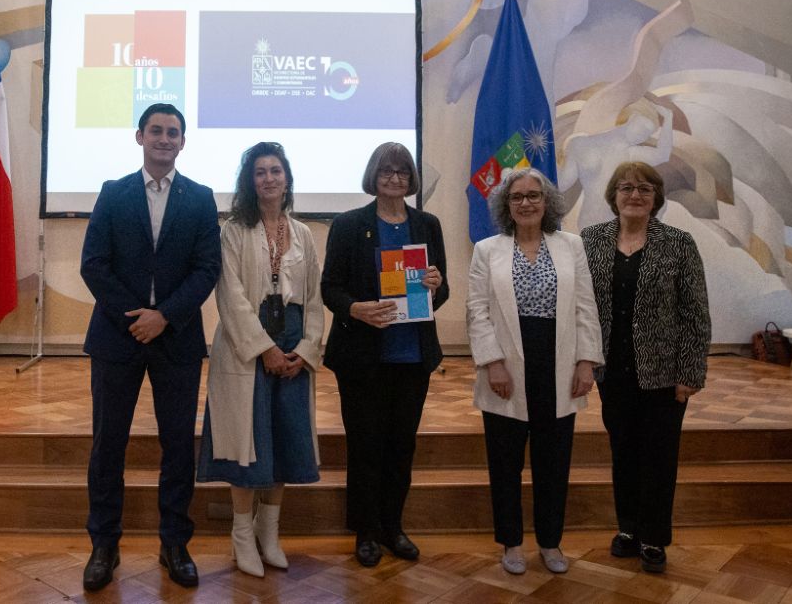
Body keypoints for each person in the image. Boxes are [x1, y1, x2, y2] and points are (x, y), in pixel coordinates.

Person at [79, 103, 221, 591]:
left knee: (178, 446)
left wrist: (165, 317)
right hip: (117, 337)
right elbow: (93, 264)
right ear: (139, 136)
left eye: (173, 132)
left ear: (182, 142)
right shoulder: (113, 193)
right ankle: (104, 545)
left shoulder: (200, 199)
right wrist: (137, 318)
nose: (164, 138)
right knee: (108, 446)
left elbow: (207, 269)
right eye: (156, 130)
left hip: (176, 338)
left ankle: (174, 543)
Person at [466, 168, 603, 575]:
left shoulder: (571, 246)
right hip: (504, 368)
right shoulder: (487, 249)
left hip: (558, 365)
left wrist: (586, 361)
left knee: (553, 463)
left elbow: (585, 307)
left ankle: (550, 542)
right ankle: (511, 542)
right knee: (505, 462)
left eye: (533, 195)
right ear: (506, 205)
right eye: (517, 197)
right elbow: (477, 310)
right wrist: (492, 362)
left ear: (547, 202)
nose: (526, 203)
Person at [197, 142, 324, 577]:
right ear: (250, 182)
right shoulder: (233, 231)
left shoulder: (303, 233)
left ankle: (269, 533)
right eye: (260, 172)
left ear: (286, 179)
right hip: (247, 346)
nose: (269, 178)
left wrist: (305, 349)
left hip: (293, 344)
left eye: (276, 171)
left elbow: (313, 298)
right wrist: (264, 348)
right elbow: (230, 296)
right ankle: (241, 536)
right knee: (247, 443)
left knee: (284, 438)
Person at [321, 142, 448, 568]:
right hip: (363, 357)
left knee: (401, 447)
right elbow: (330, 287)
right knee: (365, 447)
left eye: (402, 172)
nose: (395, 178)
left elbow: (441, 291)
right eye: (387, 171)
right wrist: (355, 309)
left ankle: (393, 526)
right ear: (373, 176)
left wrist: (435, 284)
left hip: (412, 356)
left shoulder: (427, 225)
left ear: (412, 179)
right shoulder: (349, 224)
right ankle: (366, 531)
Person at [580, 161, 710, 573]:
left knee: (659, 457)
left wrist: (689, 373)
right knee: (623, 452)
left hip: (664, 374)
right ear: (613, 196)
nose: (634, 195)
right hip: (612, 371)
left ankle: (653, 537)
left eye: (644, 189)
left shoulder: (679, 243)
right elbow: (580, 306)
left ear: (656, 198)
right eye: (626, 188)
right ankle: (628, 529)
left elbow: (695, 312)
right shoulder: (590, 240)